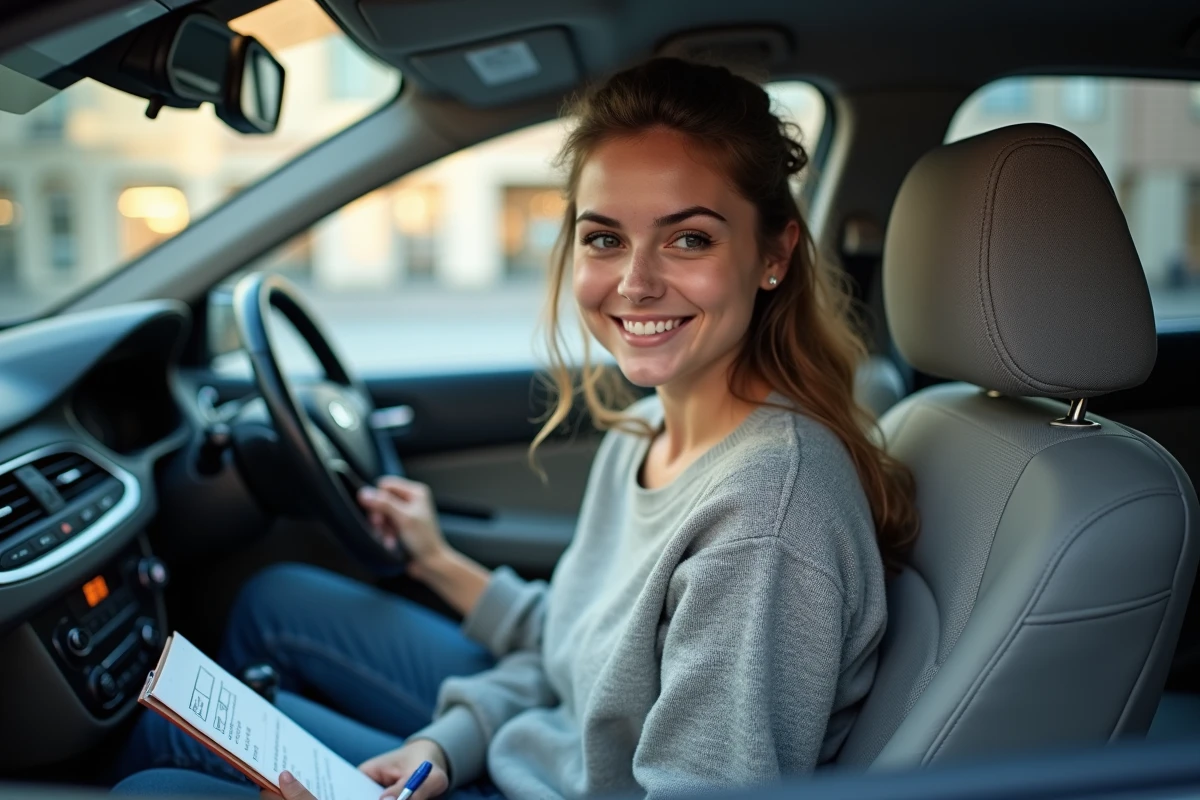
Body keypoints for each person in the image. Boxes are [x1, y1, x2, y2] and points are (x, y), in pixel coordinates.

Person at [113, 56, 918, 800]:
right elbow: (570, 656)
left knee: (163, 759)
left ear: (773, 255)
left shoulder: (766, 520)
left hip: (559, 776)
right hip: (548, 747)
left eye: (689, 239)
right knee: (275, 601)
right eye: (605, 238)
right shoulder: (645, 431)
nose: (635, 283)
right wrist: (443, 745)